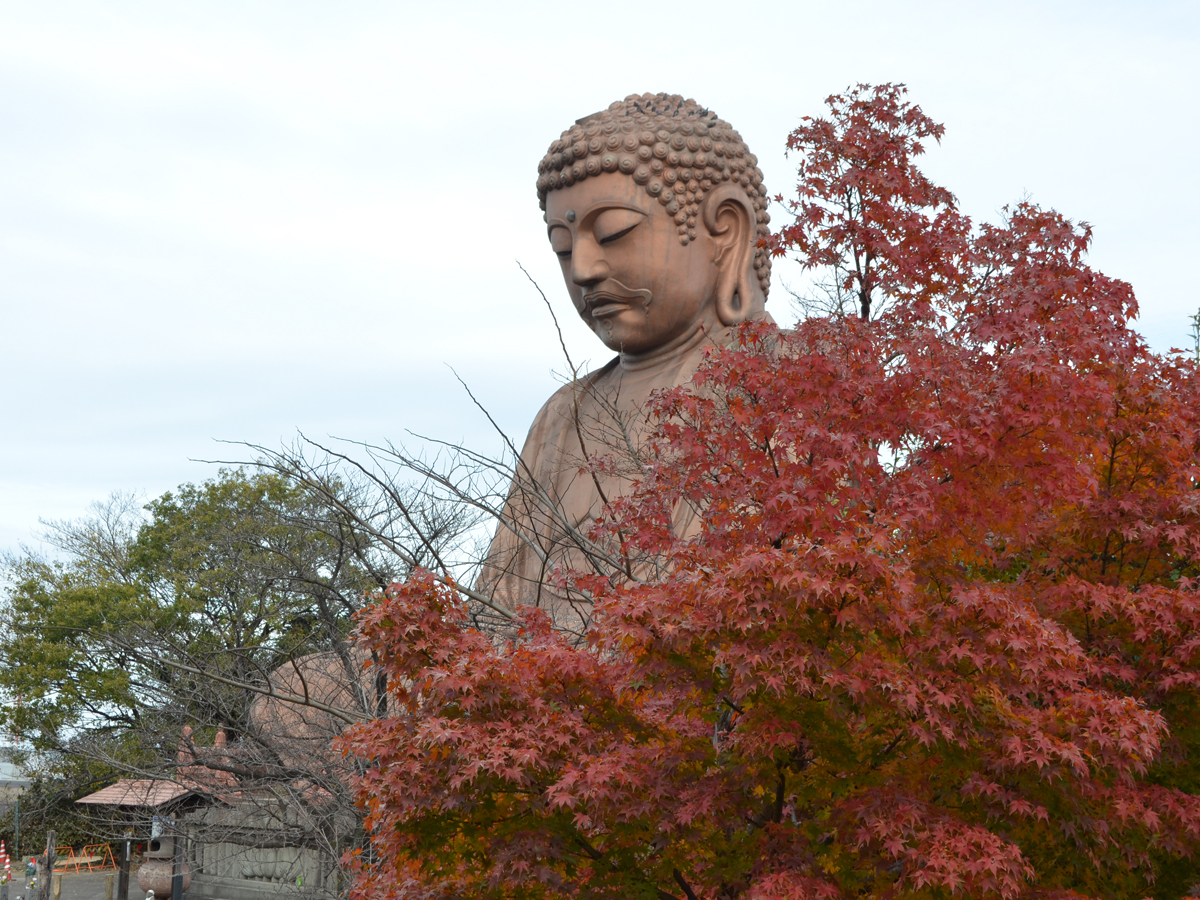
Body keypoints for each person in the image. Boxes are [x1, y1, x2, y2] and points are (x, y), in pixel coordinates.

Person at [478, 93, 773, 627]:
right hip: (550, 701)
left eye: (613, 232)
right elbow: (493, 619)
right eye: (563, 248)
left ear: (725, 231)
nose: (585, 269)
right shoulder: (562, 415)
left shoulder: (789, 378)